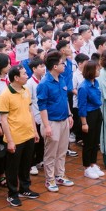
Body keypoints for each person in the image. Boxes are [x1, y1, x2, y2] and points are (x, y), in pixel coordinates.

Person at [0, 65, 40, 206]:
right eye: (24, 74)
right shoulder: (5, 95)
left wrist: (34, 131)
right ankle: (12, 193)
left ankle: (25, 188)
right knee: (12, 167)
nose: (27, 76)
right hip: (15, 138)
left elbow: (30, 111)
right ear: (16, 77)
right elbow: (4, 120)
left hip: (28, 134)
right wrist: (10, 141)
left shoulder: (25, 90)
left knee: (26, 164)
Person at [36, 50, 75, 193]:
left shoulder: (62, 78)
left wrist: (69, 114)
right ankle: (50, 179)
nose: (64, 65)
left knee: (62, 150)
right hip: (51, 122)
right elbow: (42, 106)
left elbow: (65, 99)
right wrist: (46, 126)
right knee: (51, 153)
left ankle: (60, 175)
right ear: (54, 66)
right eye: (62, 63)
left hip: (64, 119)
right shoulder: (44, 84)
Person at [77, 59, 104, 178]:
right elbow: (82, 106)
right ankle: (87, 167)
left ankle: (93, 164)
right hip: (88, 115)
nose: (99, 71)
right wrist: (84, 123)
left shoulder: (96, 83)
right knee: (88, 142)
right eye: (97, 69)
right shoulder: (83, 87)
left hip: (97, 112)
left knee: (95, 141)